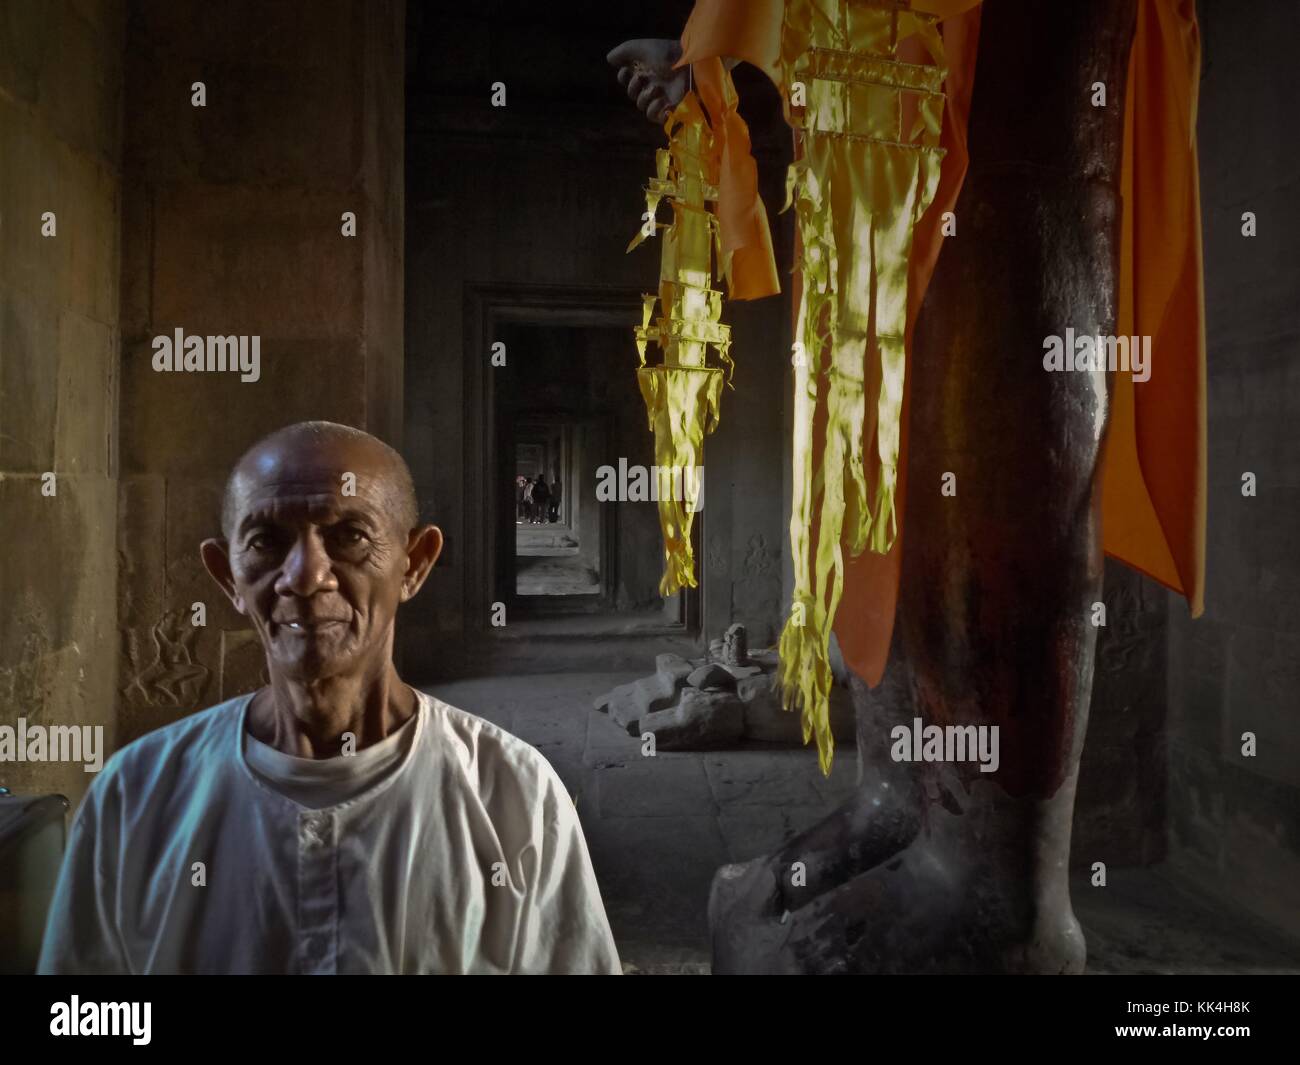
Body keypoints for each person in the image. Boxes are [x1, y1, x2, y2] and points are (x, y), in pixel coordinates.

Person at [38, 421, 621, 974]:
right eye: (267, 541)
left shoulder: (513, 796)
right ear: (226, 577)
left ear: (414, 566)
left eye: (349, 537)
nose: (305, 575)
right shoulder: (136, 796)